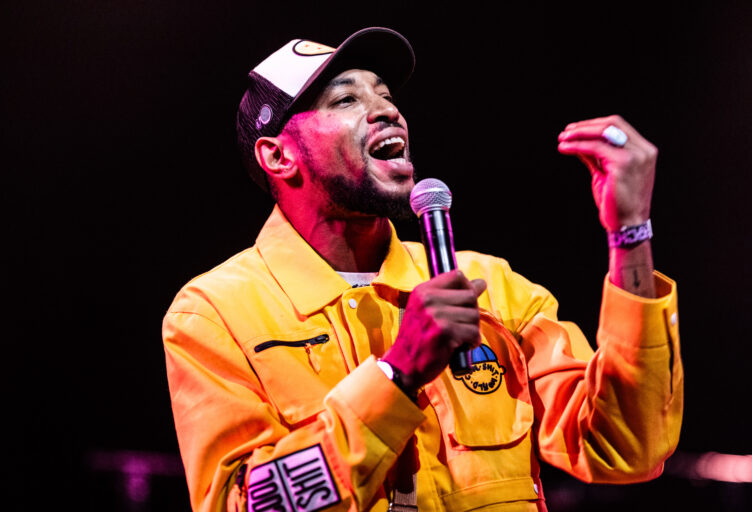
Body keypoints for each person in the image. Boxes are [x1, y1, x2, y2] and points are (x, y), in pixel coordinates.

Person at [162, 27, 683, 512]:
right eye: (347, 99)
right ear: (278, 156)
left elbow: (625, 447)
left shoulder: (492, 287)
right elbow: (241, 503)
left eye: (385, 95)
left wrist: (630, 233)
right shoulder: (214, 314)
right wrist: (398, 374)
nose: (386, 112)